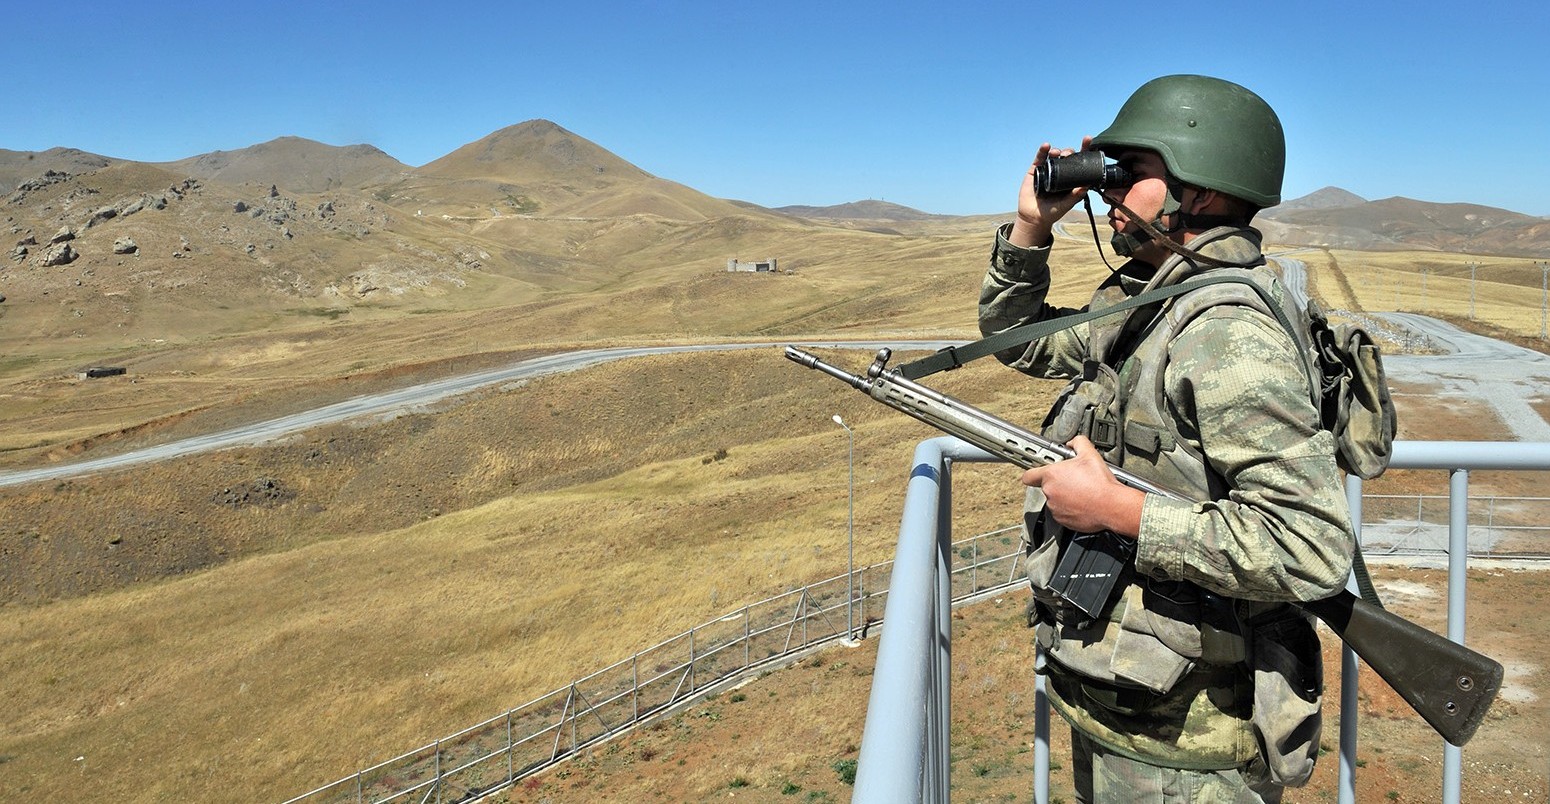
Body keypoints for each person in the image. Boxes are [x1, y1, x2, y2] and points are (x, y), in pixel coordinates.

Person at [978, 75, 1356, 802]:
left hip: (1189, 753)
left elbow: (1309, 545)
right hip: (1132, 713)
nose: (1109, 190)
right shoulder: (1153, 295)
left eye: (1131, 172)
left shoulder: (1227, 333)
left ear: (1201, 193)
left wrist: (1117, 512)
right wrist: (1032, 228)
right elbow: (1019, 343)